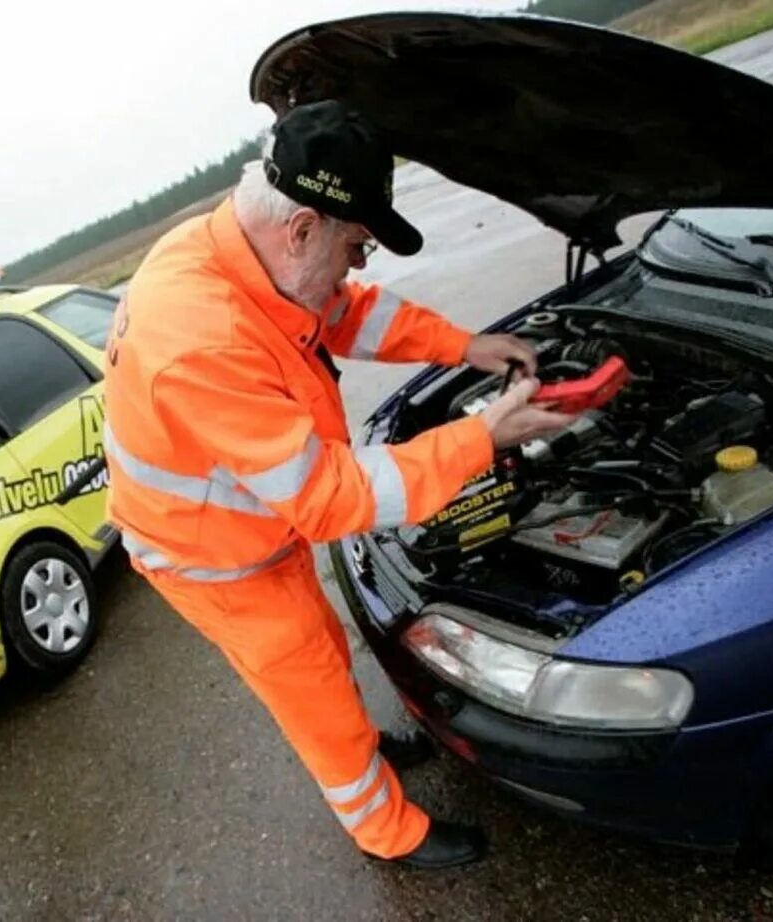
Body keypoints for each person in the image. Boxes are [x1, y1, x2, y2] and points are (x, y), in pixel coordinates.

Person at [101, 99, 576, 868]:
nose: (360, 265)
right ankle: (384, 830)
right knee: (309, 681)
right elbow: (331, 499)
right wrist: (483, 435)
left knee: (324, 643)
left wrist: (465, 347)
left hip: (256, 527)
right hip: (215, 561)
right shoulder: (200, 337)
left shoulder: (236, 255)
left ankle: (364, 746)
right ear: (301, 229)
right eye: (357, 245)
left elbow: (348, 313)